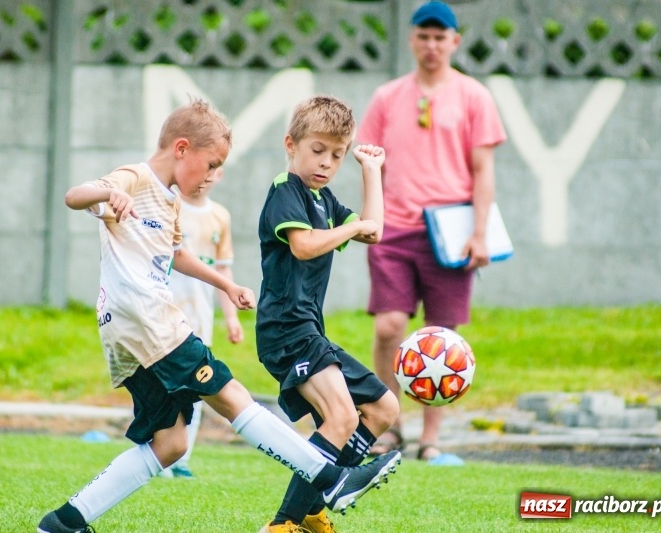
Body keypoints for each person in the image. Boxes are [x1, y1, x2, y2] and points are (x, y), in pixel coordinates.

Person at [36, 98, 401, 533]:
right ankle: (330, 481)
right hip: (150, 322)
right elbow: (74, 196)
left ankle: (64, 522)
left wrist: (225, 284)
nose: (212, 177)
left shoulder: (169, 202)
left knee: (170, 444)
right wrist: (107, 191)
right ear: (182, 148)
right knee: (231, 397)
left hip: (127, 333)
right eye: (210, 165)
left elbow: (176, 255)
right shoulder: (135, 178)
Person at [356, 1, 506, 464]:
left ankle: (431, 440)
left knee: (443, 337)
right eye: (424, 35)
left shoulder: (474, 96)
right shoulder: (386, 97)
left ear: (454, 42)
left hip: (451, 231)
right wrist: (370, 219)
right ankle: (388, 425)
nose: (432, 45)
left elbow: (483, 170)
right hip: (394, 229)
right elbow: (370, 163)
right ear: (412, 39)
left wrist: (479, 233)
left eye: (441, 37)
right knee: (390, 326)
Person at [255, 95, 401, 533]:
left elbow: (372, 231)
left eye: (337, 155)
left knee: (383, 407)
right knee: (341, 417)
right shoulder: (287, 190)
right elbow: (302, 245)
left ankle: (312, 509)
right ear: (291, 144)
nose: (326, 162)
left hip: (308, 330)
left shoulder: (324, 199)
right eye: (318, 150)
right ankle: (283, 525)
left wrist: (370, 171)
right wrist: (351, 228)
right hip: (285, 329)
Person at [160, 166, 244, 479]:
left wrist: (231, 316)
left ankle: (181, 460)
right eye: (203, 167)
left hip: (199, 320)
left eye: (215, 169)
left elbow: (224, 270)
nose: (206, 175)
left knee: (196, 390)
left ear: (221, 174)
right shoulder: (171, 206)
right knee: (160, 389)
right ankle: (157, 453)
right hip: (164, 319)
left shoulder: (220, 216)